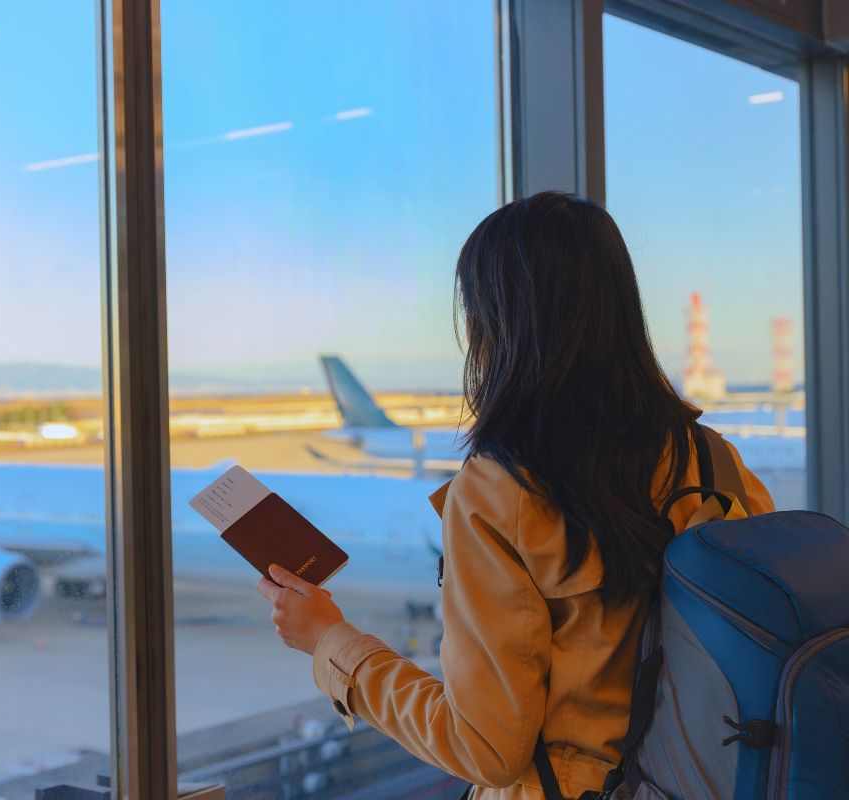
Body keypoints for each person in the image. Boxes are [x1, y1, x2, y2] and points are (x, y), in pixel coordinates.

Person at [257, 192, 774, 799]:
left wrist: (330, 642)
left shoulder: (501, 491)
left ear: (499, 325)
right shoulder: (711, 459)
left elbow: (486, 747)